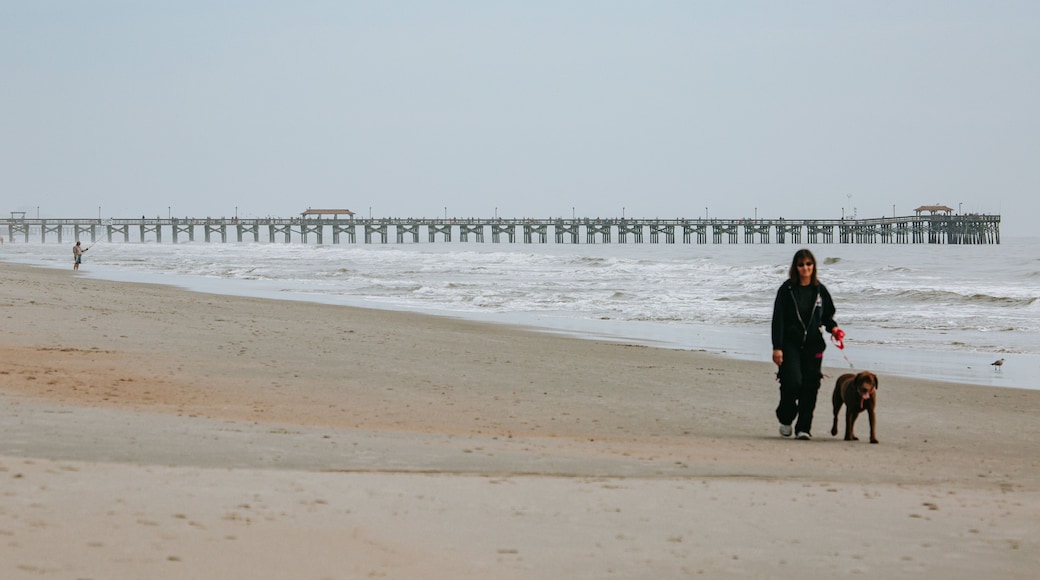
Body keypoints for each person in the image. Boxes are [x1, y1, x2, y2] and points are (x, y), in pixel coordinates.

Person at [771, 249, 842, 440]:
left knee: (810, 387)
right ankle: (786, 418)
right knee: (792, 382)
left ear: (813, 266)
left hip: (813, 345)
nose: (805, 268)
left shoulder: (819, 290)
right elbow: (778, 320)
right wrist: (777, 347)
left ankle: (804, 428)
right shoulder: (787, 290)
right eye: (801, 265)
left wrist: (833, 329)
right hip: (790, 344)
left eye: (809, 264)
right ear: (796, 267)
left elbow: (827, 316)